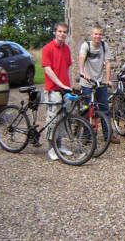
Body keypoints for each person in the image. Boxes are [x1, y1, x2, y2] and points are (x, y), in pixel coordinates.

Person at [79, 24, 120, 144]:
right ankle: (86, 135)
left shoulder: (104, 45)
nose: (98, 36)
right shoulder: (86, 46)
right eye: (95, 34)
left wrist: (107, 80)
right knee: (87, 109)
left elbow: (107, 63)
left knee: (104, 109)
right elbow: (81, 58)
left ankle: (108, 135)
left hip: (100, 81)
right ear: (91, 35)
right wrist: (82, 72)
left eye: (100, 34)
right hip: (87, 81)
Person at [41, 22, 73, 161]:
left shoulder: (66, 48)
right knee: (53, 118)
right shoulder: (47, 48)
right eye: (59, 31)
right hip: (53, 89)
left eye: (64, 32)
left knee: (63, 119)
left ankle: (59, 145)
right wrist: (60, 84)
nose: (62, 34)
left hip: (65, 89)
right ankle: (51, 148)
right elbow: (48, 70)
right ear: (55, 32)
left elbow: (68, 68)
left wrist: (69, 85)